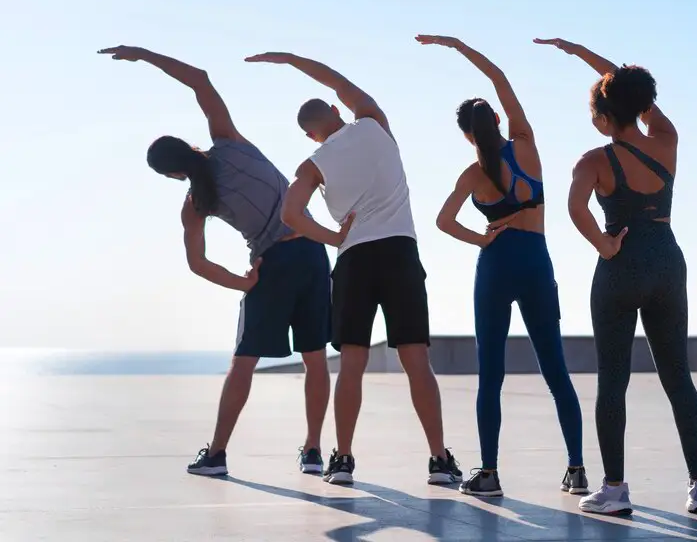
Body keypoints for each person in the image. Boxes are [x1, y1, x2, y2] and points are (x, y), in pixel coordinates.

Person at [97, 45, 344, 477]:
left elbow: (198, 263)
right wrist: (142, 55)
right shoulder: (229, 142)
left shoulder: (194, 203)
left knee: (244, 362)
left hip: (271, 265)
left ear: (173, 174)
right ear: (189, 146)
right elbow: (200, 78)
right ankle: (312, 450)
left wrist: (243, 283)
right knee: (314, 358)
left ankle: (216, 454)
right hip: (311, 252)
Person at [244, 50, 462, 487]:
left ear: (310, 135)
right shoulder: (373, 123)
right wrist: (290, 60)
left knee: (353, 363)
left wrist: (333, 237)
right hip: (399, 253)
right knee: (416, 360)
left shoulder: (313, 163)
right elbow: (335, 76)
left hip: (354, 260)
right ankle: (439, 459)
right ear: (336, 110)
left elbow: (290, 214)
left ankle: (341, 459)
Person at [534, 37, 697, 515]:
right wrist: (584, 55)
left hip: (621, 263)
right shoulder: (666, 140)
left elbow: (575, 209)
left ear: (601, 117)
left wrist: (603, 243)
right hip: (667, 259)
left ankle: (615, 489)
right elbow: (637, 93)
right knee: (678, 376)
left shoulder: (594, 161)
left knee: (613, 381)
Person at [416, 35, 587, 498]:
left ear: (468, 136)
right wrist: (456, 46)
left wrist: (482, 236)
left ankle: (488, 474)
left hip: (494, 267)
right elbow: (500, 78)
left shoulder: (472, 175)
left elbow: (442, 220)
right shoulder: (526, 145)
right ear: (496, 120)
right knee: (555, 370)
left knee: (490, 375)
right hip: (535, 261)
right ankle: (577, 469)